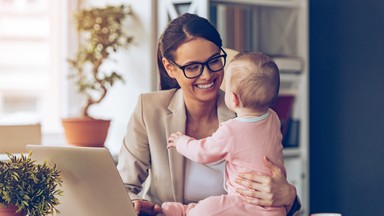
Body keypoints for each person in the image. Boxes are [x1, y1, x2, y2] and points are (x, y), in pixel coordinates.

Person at [116, 13, 301, 216]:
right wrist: (134, 204)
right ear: (170, 68)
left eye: (214, 61)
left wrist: (289, 195)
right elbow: (123, 186)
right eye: (193, 67)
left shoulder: (250, 112)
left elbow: (275, 185)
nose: (207, 75)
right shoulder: (149, 109)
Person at [162, 51, 286, 216]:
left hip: (245, 202)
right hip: (276, 208)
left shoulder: (231, 130)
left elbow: (202, 152)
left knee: (209, 208)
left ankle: (187, 212)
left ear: (233, 99)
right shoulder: (273, 118)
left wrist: (181, 142)